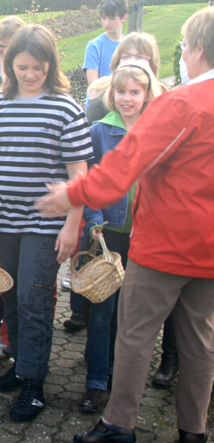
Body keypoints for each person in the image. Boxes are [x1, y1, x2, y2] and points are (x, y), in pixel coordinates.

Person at [36, 6, 214, 443]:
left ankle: (119, 424)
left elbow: (128, 163)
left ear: (194, 49)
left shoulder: (184, 102)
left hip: (168, 242)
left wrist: (72, 194)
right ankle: (193, 430)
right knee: (200, 343)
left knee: (135, 336)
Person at [0, 24, 93, 422]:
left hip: (45, 228)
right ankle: (21, 366)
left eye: (38, 67)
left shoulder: (66, 108)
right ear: (9, 64)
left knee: (34, 300)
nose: (30, 74)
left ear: (51, 64)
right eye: (22, 66)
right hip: (1, 222)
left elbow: (80, 173)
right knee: (11, 298)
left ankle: (35, 385)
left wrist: (72, 224)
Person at [76, 62, 163, 414]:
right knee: (101, 312)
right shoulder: (99, 131)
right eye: (121, 92)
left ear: (147, 95)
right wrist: (93, 222)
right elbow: (89, 181)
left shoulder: (158, 130)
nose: (127, 98)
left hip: (146, 236)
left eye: (135, 92)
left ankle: (123, 382)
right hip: (106, 234)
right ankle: (97, 381)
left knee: (132, 317)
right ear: (112, 95)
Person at [83, 0, 128, 88]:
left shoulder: (129, 46)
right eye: (104, 18)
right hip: (98, 100)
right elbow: (93, 84)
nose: (106, 23)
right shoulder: (94, 46)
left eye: (112, 18)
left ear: (124, 17)